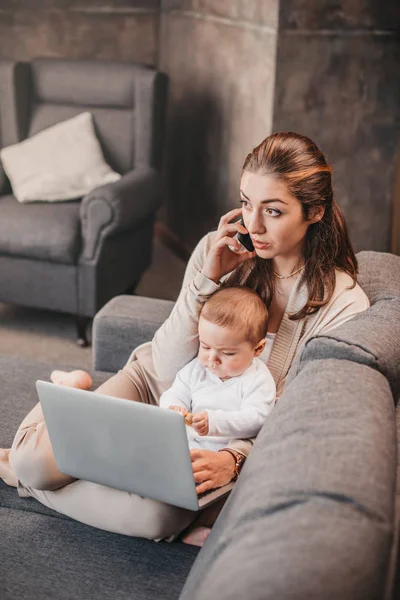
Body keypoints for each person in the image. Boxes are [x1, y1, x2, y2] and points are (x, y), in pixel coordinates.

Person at [0, 131, 370, 544]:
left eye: (275, 211)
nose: (254, 225)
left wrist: (234, 458)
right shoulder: (219, 250)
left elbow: (293, 412)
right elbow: (167, 364)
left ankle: (25, 465)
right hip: (151, 386)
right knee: (33, 463)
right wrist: (206, 280)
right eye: (247, 204)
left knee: (157, 519)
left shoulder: (341, 305)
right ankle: (53, 424)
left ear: (314, 212)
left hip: (216, 436)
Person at [160, 286, 276, 452]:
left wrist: (214, 423)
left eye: (227, 353)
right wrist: (173, 407)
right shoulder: (196, 369)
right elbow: (175, 393)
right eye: (205, 347)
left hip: (220, 454)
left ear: (257, 349)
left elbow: (257, 419)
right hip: (184, 446)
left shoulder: (258, 379)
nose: (212, 359)